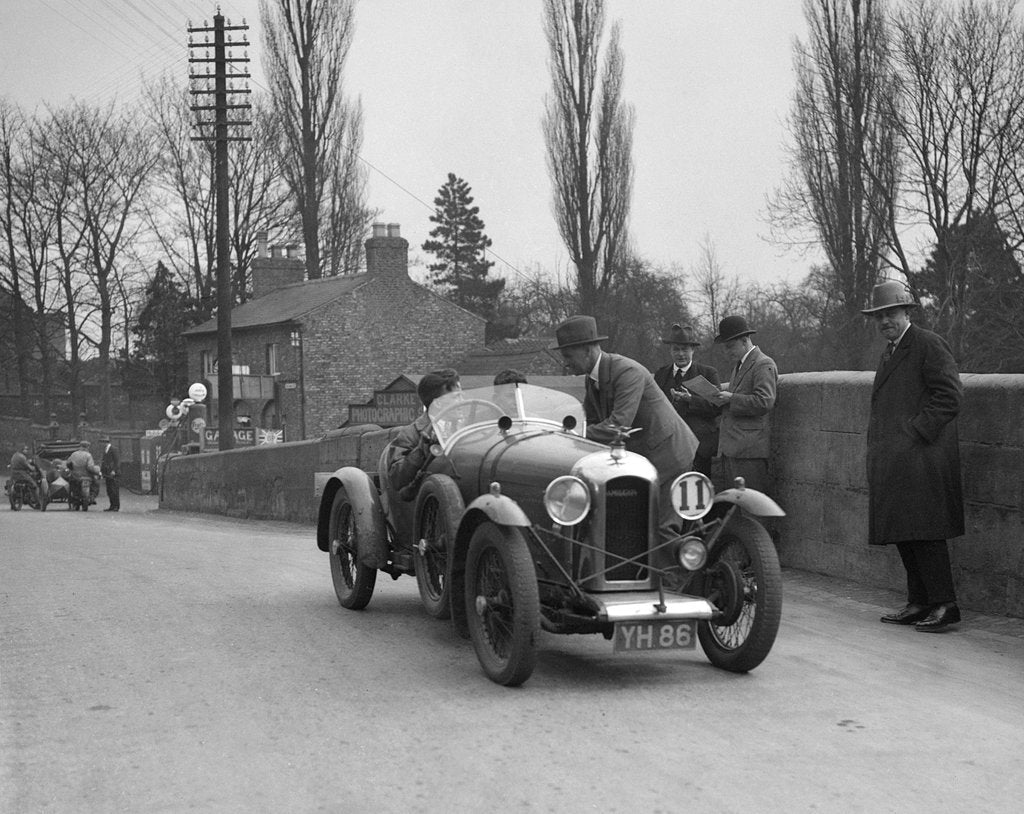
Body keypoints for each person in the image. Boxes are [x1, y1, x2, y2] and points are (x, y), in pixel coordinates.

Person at [863, 281, 964, 632]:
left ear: (907, 312)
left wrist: (914, 433)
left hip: (923, 459)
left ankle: (945, 604)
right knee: (906, 531)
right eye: (879, 317)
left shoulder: (927, 344)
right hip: (899, 460)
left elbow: (950, 397)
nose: (884, 322)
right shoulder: (893, 350)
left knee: (926, 533)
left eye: (890, 314)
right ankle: (919, 601)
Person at [551, 315, 698, 542]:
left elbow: (617, 425)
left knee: (661, 529)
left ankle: (676, 577)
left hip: (668, 454)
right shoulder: (592, 379)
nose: (565, 363)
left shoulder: (626, 372)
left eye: (568, 356)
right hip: (644, 459)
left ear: (588, 350)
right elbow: (589, 423)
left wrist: (571, 434)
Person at [708, 315, 777, 495]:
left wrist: (731, 398)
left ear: (745, 340)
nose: (727, 352)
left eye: (730, 346)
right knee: (738, 507)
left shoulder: (763, 364)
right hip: (735, 449)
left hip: (749, 452)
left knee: (752, 506)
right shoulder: (741, 365)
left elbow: (765, 401)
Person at [653, 323, 721, 478]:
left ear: (693, 350)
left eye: (685, 349)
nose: (680, 354)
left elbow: (717, 406)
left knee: (699, 490)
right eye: (676, 349)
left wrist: (690, 400)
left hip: (699, 448)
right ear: (670, 350)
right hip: (669, 447)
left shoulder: (708, 373)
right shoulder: (661, 375)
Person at [388, 368, 461, 500]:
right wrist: (421, 450)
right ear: (438, 403)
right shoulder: (411, 434)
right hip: (431, 502)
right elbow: (397, 478)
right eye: (457, 397)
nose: (463, 401)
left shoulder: (466, 427)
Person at [67, 440, 101, 506]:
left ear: (80, 446)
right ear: (87, 447)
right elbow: (90, 467)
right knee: (96, 484)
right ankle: (92, 497)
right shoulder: (88, 455)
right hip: (86, 476)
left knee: (73, 485)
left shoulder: (74, 454)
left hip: (75, 476)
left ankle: (75, 497)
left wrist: (73, 469)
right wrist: (97, 472)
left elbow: (68, 463)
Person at [99, 435, 120, 512]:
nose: (101, 444)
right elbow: (104, 461)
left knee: (114, 490)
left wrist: (114, 470)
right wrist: (102, 471)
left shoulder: (114, 449)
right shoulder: (106, 450)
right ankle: (112, 505)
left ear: (105, 442)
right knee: (109, 490)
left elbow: (117, 461)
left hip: (113, 473)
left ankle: (116, 506)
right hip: (107, 473)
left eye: (102, 442)